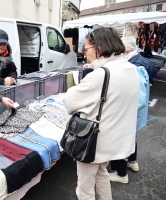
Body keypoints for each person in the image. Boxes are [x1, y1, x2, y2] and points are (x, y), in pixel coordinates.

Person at [62, 27, 140, 199]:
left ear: (99, 48)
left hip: (94, 141)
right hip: (114, 139)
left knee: (85, 188)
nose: (85, 54)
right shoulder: (130, 68)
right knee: (101, 173)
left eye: (86, 49)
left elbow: (69, 102)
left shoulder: (101, 75)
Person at [109, 36, 149, 183]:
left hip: (129, 111)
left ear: (126, 51)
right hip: (133, 111)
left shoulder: (132, 66)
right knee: (131, 137)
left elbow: (138, 96)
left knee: (120, 140)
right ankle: (133, 162)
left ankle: (121, 174)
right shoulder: (136, 62)